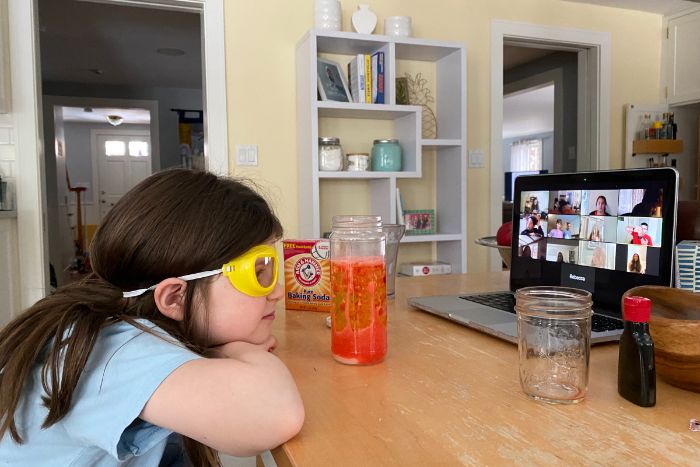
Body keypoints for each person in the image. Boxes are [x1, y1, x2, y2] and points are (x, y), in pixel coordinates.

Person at [0, 169, 305, 466]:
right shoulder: (115, 351)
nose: (277, 291)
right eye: (260, 273)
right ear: (174, 297)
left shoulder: (118, 324)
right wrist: (231, 349)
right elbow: (275, 414)